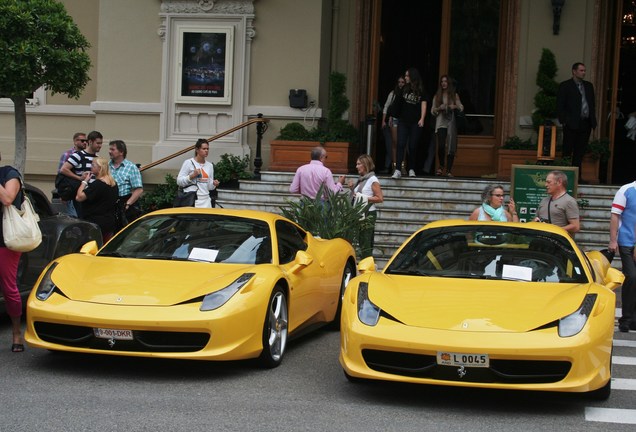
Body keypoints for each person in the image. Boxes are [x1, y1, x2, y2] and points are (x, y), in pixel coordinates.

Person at [0, 153, 25, 352]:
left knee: (9, 288)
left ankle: (16, 332)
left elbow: (8, 199)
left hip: (5, 240)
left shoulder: (9, 174)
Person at [556, 62, 597, 182]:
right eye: (581, 70)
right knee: (568, 150)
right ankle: (564, 178)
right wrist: (564, 121)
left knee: (580, 151)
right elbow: (560, 105)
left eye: (584, 70)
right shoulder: (565, 85)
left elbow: (591, 104)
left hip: (585, 122)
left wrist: (592, 120)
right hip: (571, 123)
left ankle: (577, 178)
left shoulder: (588, 86)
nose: (584, 72)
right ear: (574, 71)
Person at [608, 180, 636, 332]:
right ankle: (626, 318)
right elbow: (615, 215)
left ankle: (633, 319)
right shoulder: (626, 190)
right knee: (631, 276)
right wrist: (613, 240)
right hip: (626, 240)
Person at [392, 67, 427, 179]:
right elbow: (398, 104)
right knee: (401, 144)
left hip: (415, 122)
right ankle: (398, 169)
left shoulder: (421, 90)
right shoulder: (404, 88)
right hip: (403, 121)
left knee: (412, 146)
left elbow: (423, 104)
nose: (405, 77)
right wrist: (393, 115)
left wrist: (422, 118)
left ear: (412, 76)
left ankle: (411, 169)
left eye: (407, 76)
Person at [59, 130, 103, 218]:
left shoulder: (98, 158)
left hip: (94, 195)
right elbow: (64, 169)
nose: (100, 146)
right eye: (98, 143)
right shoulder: (78, 155)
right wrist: (79, 178)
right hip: (81, 195)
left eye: (101, 143)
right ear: (90, 142)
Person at [75, 157, 119, 243]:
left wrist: (84, 182)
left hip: (95, 223)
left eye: (93, 165)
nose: (90, 167)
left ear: (100, 168)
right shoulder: (113, 183)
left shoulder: (98, 184)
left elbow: (79, 197)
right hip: (109, 222)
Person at [348, 154, 384, 259]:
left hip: (368, 213)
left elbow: (380, 198)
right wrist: (352, 189)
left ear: (365, 165)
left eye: (359, 164)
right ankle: (367, 262)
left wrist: (363, 197)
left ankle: (367, 264)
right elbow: (358, 197)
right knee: (362, 241)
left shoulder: (373, 180)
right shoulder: (362, 179)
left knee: (365, 242)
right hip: (360, 212)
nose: (356, 166)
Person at [431, 75, 464, 177]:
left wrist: (454, 106)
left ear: (449, 83)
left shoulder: (454, 95)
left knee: (451, 146)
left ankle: (448, 170)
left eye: (445, 81)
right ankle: (441, 166)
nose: (443, 83)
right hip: (441, 123)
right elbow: (432, 111)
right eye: (442, 82)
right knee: (441, 146)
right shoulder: (437, 96)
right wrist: (438, 108)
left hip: (451, 123)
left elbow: (461, 107)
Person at [534, 170, 580, 236]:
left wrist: (554, 231)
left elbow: (575, 227)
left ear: (559, 182)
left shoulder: (569, 201)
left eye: (548, 182)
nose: (545, 185)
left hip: (558, 243)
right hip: (541, 241)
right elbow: (535, 219)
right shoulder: (544, 201)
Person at [176, 138, 219, 208]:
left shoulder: (210, 165)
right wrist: (191, 176)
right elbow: (179, 181)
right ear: (197, 150)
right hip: (192, 200)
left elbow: (209, 186)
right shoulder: (188, 163)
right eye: (204, 149)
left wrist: (214, 184)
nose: (206, 151)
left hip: (206, 201)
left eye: (207, 149)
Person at [108, 140, 143, 225]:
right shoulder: (106, 166)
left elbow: (139, 189)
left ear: (121, 152)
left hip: (123, 204)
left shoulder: (131, 167)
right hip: (109, 204)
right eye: (109, 149)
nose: (109, 152)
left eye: (112, 149)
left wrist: (127, 204)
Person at [57, 132, 87, 216]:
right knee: (74, 216)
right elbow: (61, 174)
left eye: (86, 141)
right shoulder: (67, 155)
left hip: (83, 190)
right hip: (71, 190)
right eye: (82, 140)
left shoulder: (87, 155)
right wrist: (62, 194)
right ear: (75, 141)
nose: (85, 142)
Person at [381, 76, 405, 174]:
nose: (400, 84)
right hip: (394, 119)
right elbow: (386, 106)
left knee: (403, 144)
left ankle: (402, 166)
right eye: (399, 82)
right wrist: (383, 121)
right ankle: (395, 165)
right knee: (394, 142)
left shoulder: (408, 94)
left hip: (404, 120)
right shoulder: (393, 93)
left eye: (402, 82)